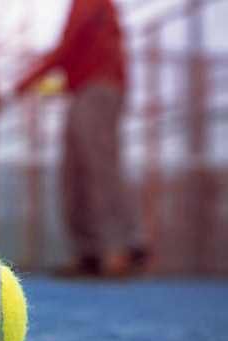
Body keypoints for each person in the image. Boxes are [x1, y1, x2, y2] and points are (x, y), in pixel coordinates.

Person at [15, 0, 149, 277]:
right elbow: (73, 62)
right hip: (84, 90)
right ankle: (89, 253)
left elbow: (67, 47)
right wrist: (37, 83)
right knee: (73, 173)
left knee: (98, 168)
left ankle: (122, 249)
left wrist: (28, 79)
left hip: (100, 87)